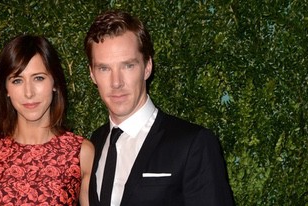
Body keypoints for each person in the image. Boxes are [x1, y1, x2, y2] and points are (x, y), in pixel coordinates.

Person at [84, 10, 234, 205]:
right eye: (104, 68)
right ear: (92, 75)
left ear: (147, 67)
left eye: (128, 66)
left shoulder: (192, 144)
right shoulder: (92, 145)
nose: (116, 82)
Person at [0, 34, 94, 206]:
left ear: (55, 83)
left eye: (38, 78)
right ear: (6, 88)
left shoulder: (81, 153)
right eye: (17, 80)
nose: (29, 93)